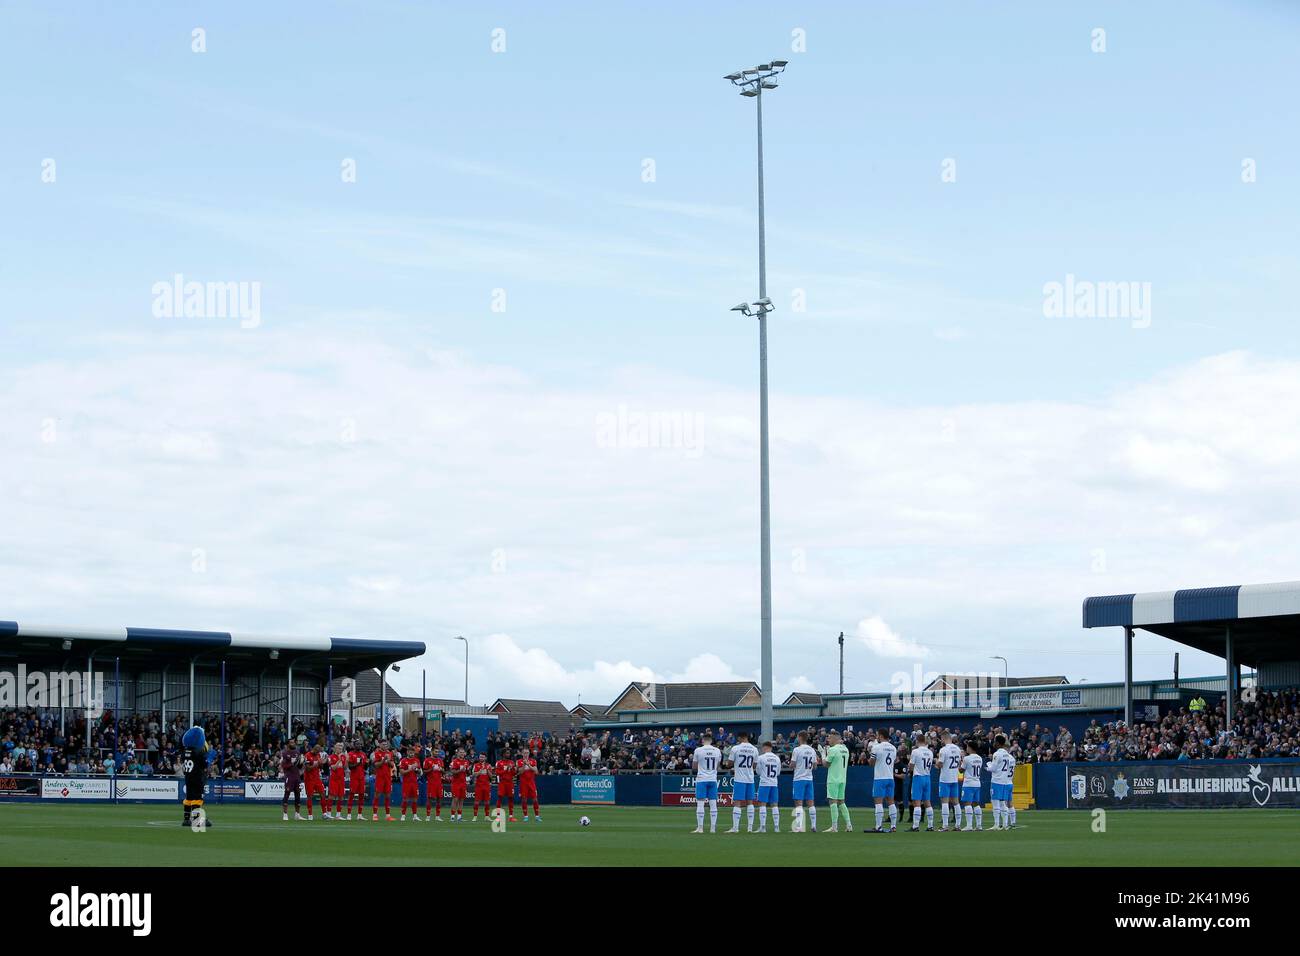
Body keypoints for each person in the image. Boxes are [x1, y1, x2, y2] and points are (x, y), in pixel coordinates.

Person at [725, 731, 759, 834]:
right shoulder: (754, 749)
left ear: (740, 738)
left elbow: (729, 764)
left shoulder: (735, 748)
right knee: (750, 802)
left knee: (737, 802)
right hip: (750, 778)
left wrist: (727, 763)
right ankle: (750, 828)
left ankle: (735, 828)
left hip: (739, 779)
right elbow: (754, 766)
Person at [820, 730, 853, 833]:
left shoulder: (833, 749)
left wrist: (822, 753)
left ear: (835, 738)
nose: (828, 739)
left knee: (832, 801)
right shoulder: (845, 749)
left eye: (829, 738)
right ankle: (849, 825)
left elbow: (826, 764)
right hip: (843, 778)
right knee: (841, 802)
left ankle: (834, 827)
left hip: (833, 779)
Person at [691, 731, 722, 834]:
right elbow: (717, 766)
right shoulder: (717, 751)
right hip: (713, 779)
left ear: (703, 740)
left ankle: (700, 828)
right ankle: (713, 828)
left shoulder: (698, 750)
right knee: (713, 804)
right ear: (711, 740)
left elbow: (694, 767)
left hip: (702, 779)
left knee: (700, 804)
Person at [180, 725, 211, 828]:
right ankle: (197, 820)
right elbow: (205, 765)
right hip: (197, 777)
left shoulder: (184, 752)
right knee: (197, 798)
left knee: (188, 798)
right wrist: (208, 758)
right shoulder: (199, 752)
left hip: (188, 777)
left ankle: (186, 819)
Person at [867, 728, 897, 833]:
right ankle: (893, 826)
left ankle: (878, 826)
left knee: (878, 802)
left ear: (880, 736)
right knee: (891, 801)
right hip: (890, 777)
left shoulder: (876, 747)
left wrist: (869, 754)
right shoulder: (893, 748)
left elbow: (871, 763)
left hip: (880, 778)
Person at [790, 731, 818, 833]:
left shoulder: (797, 750)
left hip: (799, 779)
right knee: (810, 803)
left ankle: (799, 827)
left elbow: (792, 765)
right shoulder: (812, 750)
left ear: (800, 737)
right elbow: (815, 766)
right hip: (809, 779)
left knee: (798, 803)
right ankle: (813, 826)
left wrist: (792, 764)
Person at [988, 734, 1016, 831]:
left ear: (998, 743)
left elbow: (993, 768)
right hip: (1005, 781)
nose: (994, 743)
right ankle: (1005, 824)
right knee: (1003, 803)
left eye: (995, 741)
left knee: (995, 803)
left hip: (997, 780)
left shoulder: (997, 754)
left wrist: (988, 766)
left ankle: (996, 824)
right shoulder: (1007, 755)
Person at [936, 732, 963, 831]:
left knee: (945, 802)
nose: (941, 741)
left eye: (941, 739)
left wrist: (936, 762)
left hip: (945, 778)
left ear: (943, 738)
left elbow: (940, 764)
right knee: (956, 802)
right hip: (954, 778)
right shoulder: (957, 749)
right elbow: (960, 762)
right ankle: (958, 825)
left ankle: (945, 825)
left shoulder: (943, 749)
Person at [908, 736, 935, 832]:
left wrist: (910, 767)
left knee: (917, 802)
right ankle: (930, 825)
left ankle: (915, 826)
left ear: (918, 741)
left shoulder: (915, 751)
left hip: (918, 777)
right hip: (927, 777)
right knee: (927, 802)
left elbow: (911, 767)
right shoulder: (930, 752)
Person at [755, 740, 781, 832]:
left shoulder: (761, 757)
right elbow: (778, 772)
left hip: (764, 783)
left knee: (762, 804)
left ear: (765, 747)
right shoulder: (777, 758)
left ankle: (763, 827)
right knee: (774, 805)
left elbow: (758, 771)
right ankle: (776, 827)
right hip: (774, 783)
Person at [960, 741, 984, 831]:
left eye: (967, 747)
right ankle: (979, 825)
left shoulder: (967, 758)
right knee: (976, 804)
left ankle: (969, 825)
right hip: (977, 783)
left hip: (968, 783)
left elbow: (961, 770)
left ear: (970, 748)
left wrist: (960, 762)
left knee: (967, 803)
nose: (966, 749)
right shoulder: (980, 758)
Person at [371, 739, 395, 822]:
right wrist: (383, 760)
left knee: (388, 795)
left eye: (386, 744)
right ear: (380, 745)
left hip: (387, 777)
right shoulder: (377, 753)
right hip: (380, 777)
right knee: (377, 795)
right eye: (384, 744)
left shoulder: (389, 753)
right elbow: (376, 765)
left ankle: (388, 815)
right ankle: (374, 815)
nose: (385, 746)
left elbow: (392, 765)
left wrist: (388, 761)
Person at [516, 748, 542, 822]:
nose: (526, 754)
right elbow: (520, 772)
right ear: (522, 753)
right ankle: (526, 816)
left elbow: (536, 771)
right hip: (523, 783)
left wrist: (529, 765)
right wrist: (524, 765)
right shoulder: (519, 761)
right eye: (524, 753)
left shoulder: (533, 761)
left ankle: (537, 816)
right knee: (524, 799)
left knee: (535, 799)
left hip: (531, 783)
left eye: (527, 753)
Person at [281, 742, 304, 822]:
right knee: (287, 793)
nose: (293, 743)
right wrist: (292, 763)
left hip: (297, 776)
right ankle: (285, 814)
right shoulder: (285, 753)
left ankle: (297, 814)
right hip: (289, 776)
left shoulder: (297, 753)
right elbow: (284, 766)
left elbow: (299, 766)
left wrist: (301, 762)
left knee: (298, 794)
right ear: (288, 744)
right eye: (291, 742)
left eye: (294, 742)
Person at [303, 745, 326, 821]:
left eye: (319, 752)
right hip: (309, 779)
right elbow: (307, 768)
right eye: (317, 751)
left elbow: (321, 767)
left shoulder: (318, 755)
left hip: (317, 778)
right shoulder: (307, 755)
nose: (318, 753)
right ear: (314, 749)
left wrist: (321, 763)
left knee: (322, 793)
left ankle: (324, 813)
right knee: (309, 796)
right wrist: (315, 764)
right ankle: (310, 815)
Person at [398, 744, 421, 821]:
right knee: (405, 799)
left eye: (412, 752)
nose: (411, 753)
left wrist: (417, 770)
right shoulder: (403, 761)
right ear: (407, 752)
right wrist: (410, 769)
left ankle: (415, 816)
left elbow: (420, 772)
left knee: (415, 799)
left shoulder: (417, 760)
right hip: (406, 783)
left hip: (414, 782)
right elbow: (401, 772)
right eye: (410, 752)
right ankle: (403, 815)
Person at [494, 748, 517, 821]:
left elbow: (514, 774)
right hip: (502, 783)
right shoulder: (499, 762)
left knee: (511, 798)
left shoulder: (511, 762)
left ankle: (511, 816)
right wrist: (505, 770)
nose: (508, 754)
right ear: (503, 754)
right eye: (507, 753)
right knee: (500, 798)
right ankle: (498, 817)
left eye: (509, 753)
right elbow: (497, 773)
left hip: (510, 783)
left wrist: (513, 769)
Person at [346, 739, 367, 821]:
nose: (360, 746)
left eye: (360, 744)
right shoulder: (351, 754)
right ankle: (349, 814)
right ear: (354, 745)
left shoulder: (363, 754)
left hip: (361, 777)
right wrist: (357, 764)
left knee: (361, 795)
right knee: (351, 795)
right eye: (358, 744)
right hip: (354, 778)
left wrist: (366, 764)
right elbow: (350, 767)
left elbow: (365, 767)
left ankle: (360, 815)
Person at [422, 747, 445, 821]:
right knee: (430, 799)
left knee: (439, 799)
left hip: (439, 783)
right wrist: (431, 769)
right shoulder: (427, 760)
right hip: (431, 783)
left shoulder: (440, 760)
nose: (437, 753)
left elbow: (443, 771)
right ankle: (428, 816)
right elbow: (424, 772)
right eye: (435, 751)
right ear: (432, 752)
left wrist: (441, 770)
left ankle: (437, 816)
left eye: (438, 752)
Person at [325, 742, 346, 821]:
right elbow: (333, 768)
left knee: (341, 796)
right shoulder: (330, 757)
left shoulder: (343, 757)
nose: (339, 749)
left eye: (341, 748)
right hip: (334, 779)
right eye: (338, 748)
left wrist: (344, 759)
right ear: (334, 748)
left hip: (341, 779)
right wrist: (339, 760)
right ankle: (328, 813)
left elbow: (344, 767)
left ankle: (338, 814)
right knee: (331, 796)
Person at [448, 748, 470, 821]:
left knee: (461, 800)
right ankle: (452, 816)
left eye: (463, 752)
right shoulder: (454, 761)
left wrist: (467, 770)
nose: (462, 754)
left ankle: (459, 817)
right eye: (460, 752)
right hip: (456, 783)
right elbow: (452, 772)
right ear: (457, 753)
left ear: (465, 753)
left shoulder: (466, 762)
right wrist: (460, 770)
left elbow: (468, 772)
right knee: (455, 799)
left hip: (463, 783)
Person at [471, 752, 492, 821]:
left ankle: (487, 816)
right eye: (480, 757)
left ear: (485, 758)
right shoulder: (476, 765)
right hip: (478, 786)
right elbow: (474, 775)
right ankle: (475, 816)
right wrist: (479, 772)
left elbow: (491, 776)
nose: (481, 758)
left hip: (486, 785)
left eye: (483, 757)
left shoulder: (488, 765)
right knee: (477, 801)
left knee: (487, 802)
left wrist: (487, 771)